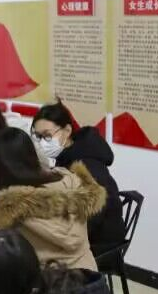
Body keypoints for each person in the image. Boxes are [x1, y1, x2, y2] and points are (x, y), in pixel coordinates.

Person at [0, 127, 106, 271]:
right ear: (32, 154)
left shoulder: (7, 206)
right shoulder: (69, 181)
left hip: (49, 281)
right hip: (90, 275)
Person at [31, 101, 125, 252]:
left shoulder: (87, 165)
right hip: (83, 227)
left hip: (101, 240)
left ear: (67, 130)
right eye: (38, 136)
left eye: (47, 136)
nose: (42, 142)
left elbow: (93, 215)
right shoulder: (68, 156)